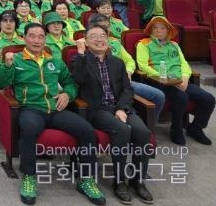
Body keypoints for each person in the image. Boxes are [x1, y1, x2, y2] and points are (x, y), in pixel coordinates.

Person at [0, 23, 105, 206]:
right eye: (32, 36)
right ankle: (29, 177)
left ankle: (87, 179)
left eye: (40, 37)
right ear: (24, 38)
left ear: (45, 40)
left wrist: (67, 94)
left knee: (87, 130)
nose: (36, 40)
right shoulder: (16, 59)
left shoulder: (54, 61)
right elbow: (0, 83)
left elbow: (71, 83)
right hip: (31, 108)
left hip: (55, 109)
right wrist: (7, 66)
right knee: (29, 129)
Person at [70, 26, 154, 205]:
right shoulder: (79, 60)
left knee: (143, 132)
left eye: (102, 36)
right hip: (97, 110)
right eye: (93, 36)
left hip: (120, 108)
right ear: (86, 41)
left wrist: (121, 108)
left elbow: (127, 89)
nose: (99, 39)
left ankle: (137, 180)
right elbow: (78, 79)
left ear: (108, 40)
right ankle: (119, 181)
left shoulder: (117, 62)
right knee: (122, 130)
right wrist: (81, 53)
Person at [136, 16, 215, 145]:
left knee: (209, 99)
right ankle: (176, 129)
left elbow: (184, 63)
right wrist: (166, 78)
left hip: (180, 80)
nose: (158, 31)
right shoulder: (143, 44)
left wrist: (185, 77)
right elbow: (143, 66)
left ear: (168, 31)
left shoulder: (174, 45)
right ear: (150, 29)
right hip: (160, 82)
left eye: (162, 28)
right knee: (181, 97)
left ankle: (195, 128)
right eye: (155, 28)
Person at [0, 10, 24, 77]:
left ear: (15, 24)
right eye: (5, 21)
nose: (8, 23)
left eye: (11, 21)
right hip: (3, 75)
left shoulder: (23, 41)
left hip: (22, 74)